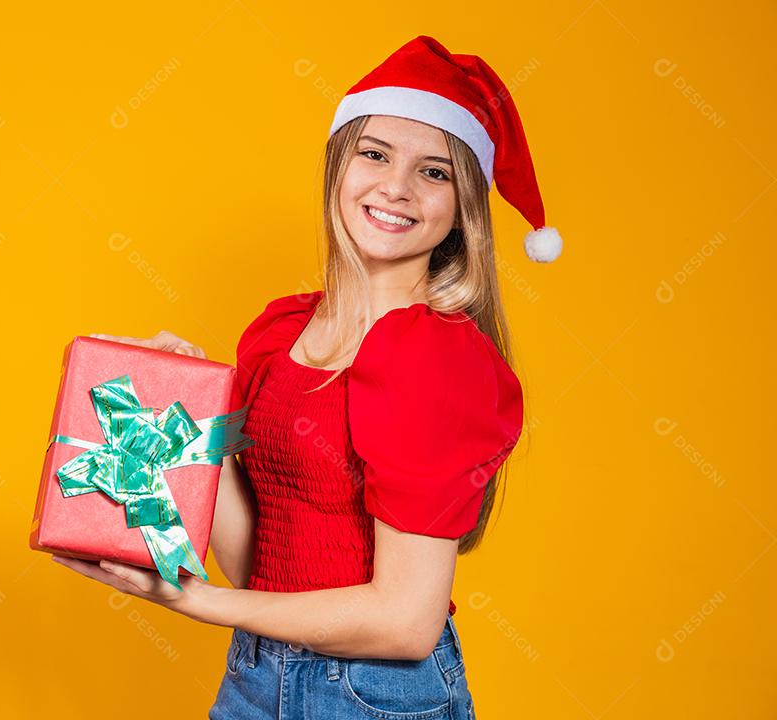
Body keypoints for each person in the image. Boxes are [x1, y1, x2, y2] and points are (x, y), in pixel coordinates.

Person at [51, 34, 559, 719]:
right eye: (374, 154)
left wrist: (192, 600)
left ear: (462, 209)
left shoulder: (439, 359)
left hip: (376, 694)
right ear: (338, 166)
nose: (396, 187)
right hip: (258, 672)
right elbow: (256, 563)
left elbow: (406, 622)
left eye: (434, 172)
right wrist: (193, 407)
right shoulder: (281, 333)